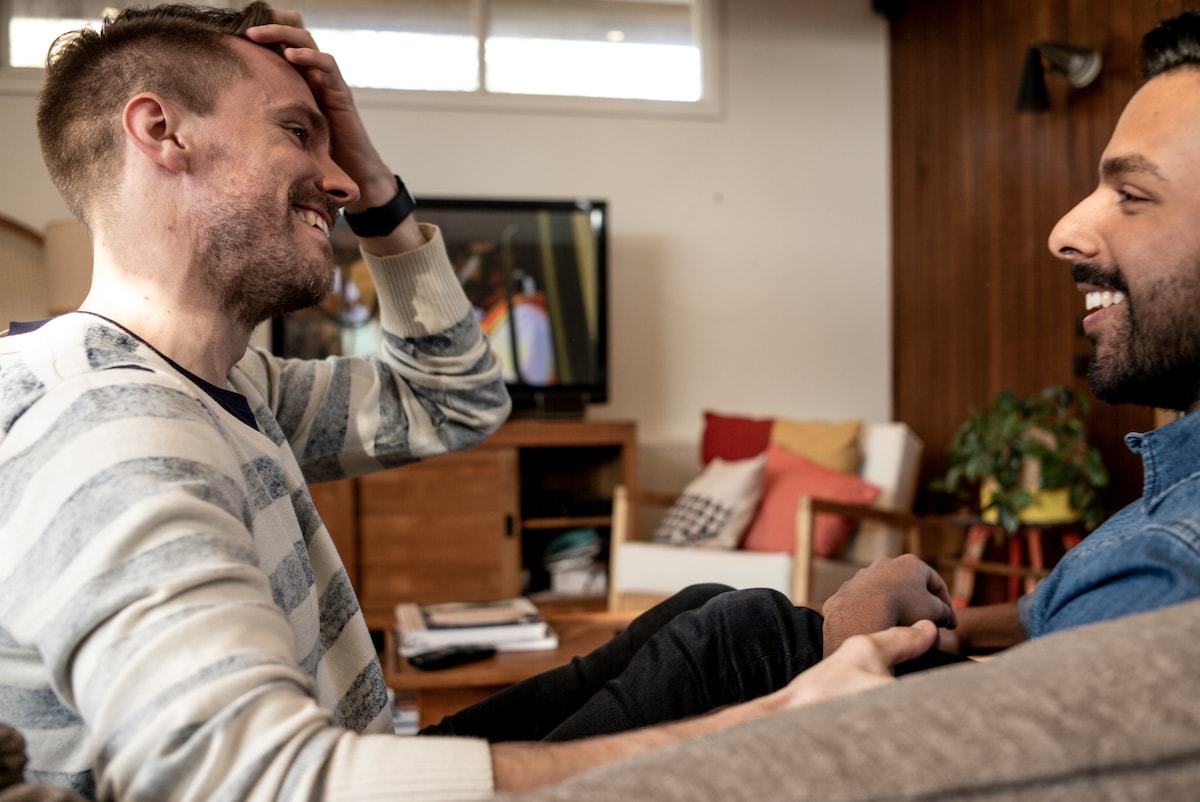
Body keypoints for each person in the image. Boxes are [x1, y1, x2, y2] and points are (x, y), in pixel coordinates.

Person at [0, 4, 956, 800]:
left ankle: (863, 656)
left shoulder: (227, 384)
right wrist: (782, 716)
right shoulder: (112, 429)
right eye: (299, 132)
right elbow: (270, 785)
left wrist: (376, 184)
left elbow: (453, 400)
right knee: (746, 658)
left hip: (366, 738)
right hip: (333, 777)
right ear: (160, 131)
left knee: (722, 612)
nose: (336, 179)